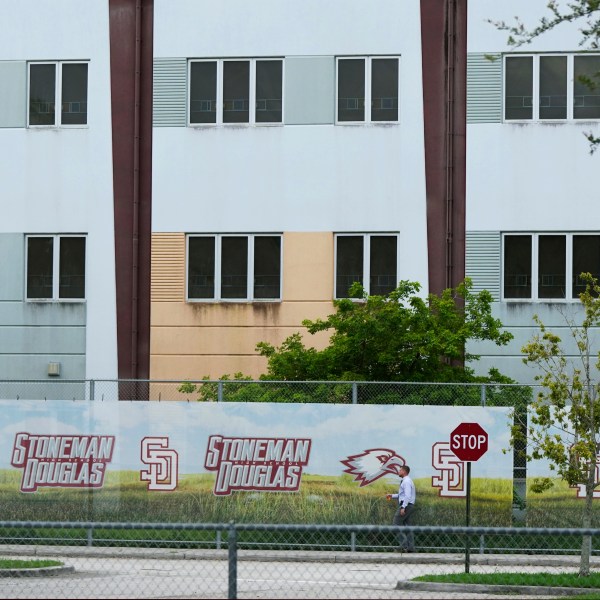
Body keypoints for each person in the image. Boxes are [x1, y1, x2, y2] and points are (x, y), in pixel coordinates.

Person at [386, 465, 416, 552]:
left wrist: (403, 507)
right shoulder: (407, 481)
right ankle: (410, 548)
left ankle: (404, 544)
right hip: (409, 505)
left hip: (406, 505)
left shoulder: (406, 481)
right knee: (408, 527)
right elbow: (402, 495)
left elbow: (407, 496)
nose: (398, 472)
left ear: (404, 471)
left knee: (395, 523)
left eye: (400, 470)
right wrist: (391, 496)